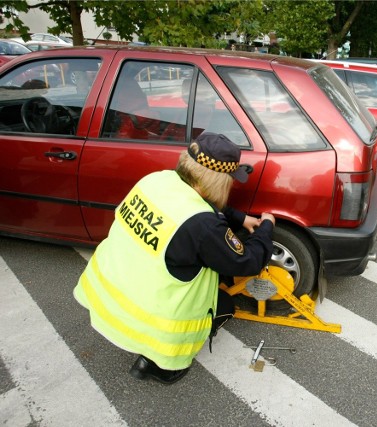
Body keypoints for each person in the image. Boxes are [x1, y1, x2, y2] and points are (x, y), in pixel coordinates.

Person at [74, 132, 275, 385]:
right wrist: (266, 227)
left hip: (110, 294)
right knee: (224, 305)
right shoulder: (202, 225)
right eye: (229, 181)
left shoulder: (156, 180)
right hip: (152, 316)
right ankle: (161, 366)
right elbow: (247, 261)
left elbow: (195, 199)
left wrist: (239, 219)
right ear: (217, 180)